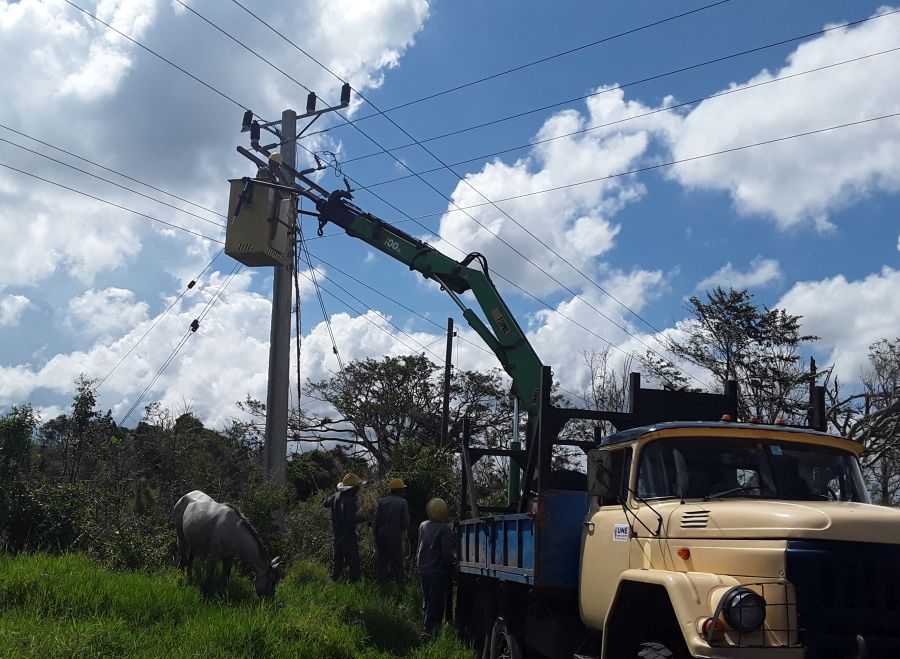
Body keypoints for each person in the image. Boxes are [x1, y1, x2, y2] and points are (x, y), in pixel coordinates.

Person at [417, 497, 454, 632]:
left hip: (424, 570)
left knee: (426, 601)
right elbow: (446, 553)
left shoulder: (423, 525)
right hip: (438, 571)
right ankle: (429, 632)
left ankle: (426, 627)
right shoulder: (444, 529)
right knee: (435, 604)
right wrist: (451, 565)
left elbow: (419, 548)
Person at [324, 472, 367, 581]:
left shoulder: (335, 497)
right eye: (357, 487)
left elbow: (325, 503)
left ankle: (334, 586)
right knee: (354, 564)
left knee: (337, 565)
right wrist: (365, 517)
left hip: (337, 536)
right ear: (352, 488)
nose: (358, 489)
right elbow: (349, 520)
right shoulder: (351, 501)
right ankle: (355, 587)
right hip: (348, 537)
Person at [374, 477, 410, 584]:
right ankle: (400, 583)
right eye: (402, 489)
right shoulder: (403, 502)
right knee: (397, 561)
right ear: (399, 490)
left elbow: (377, 519)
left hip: (381, 534)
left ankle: (382, 583)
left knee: (382, 561)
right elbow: (405, 522)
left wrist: (376, 534)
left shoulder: (382, 501)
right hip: (394, 535)